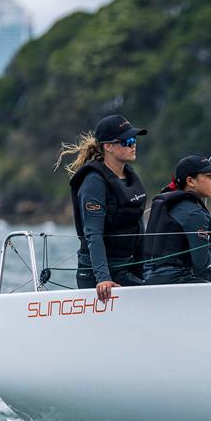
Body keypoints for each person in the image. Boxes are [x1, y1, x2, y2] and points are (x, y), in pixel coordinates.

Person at [56, 114, 148, 301]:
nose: (133, 145)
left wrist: (145, 272)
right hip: (98, 276)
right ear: (108, 146)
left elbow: (139, 229)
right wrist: (103, 278)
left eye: (134, 140)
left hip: (125, 268)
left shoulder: (130, 178)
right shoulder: (94, 182)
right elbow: (93, 234)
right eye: (127, 141)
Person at [142, 155, 211, 285]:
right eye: (208, 176)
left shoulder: (171, 203)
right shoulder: (195, 213)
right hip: (174, 279)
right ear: (190, 181)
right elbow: (201, 263)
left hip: (150, 276)